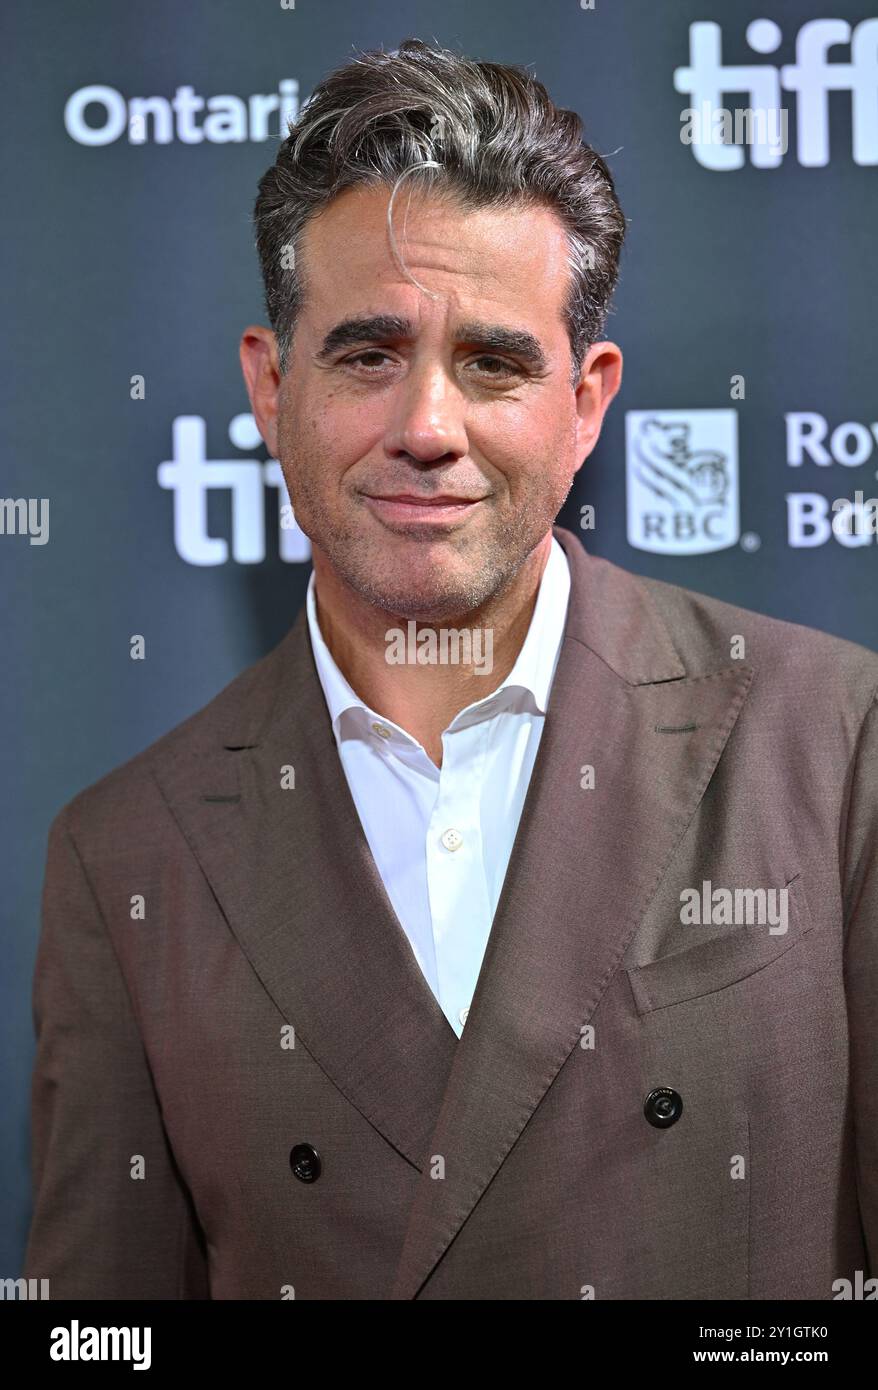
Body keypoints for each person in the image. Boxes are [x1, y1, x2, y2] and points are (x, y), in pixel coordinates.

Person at [24, 38, 878, 1300]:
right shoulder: (128, 857)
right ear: (269, 388)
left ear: (586, 403)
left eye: (492, 362)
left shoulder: (836, 740)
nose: (426, 428)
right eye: (367, 355)